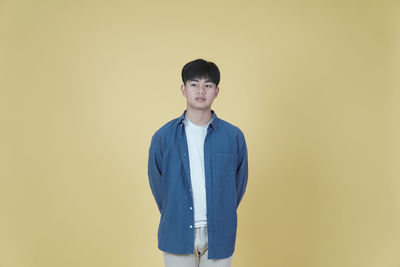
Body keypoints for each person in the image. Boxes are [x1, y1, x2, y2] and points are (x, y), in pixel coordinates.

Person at [147, 58, 248, 267]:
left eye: (208, 85)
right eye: (194, 84)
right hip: (176, 233)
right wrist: (174, 211)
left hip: (220, 234)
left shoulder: (233, 136)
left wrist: (222, 210)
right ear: (183, 89)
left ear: (216, 91)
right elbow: (158, 185)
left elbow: (238, 184)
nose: (201, 90)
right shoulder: (163, 137)